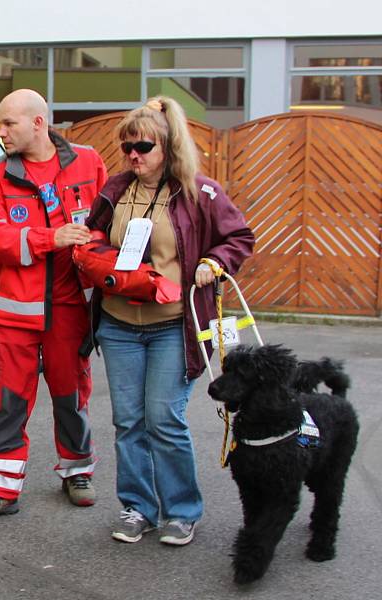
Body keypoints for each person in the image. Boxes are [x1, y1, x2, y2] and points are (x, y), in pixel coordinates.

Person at [86, 96, 254, 545]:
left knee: (164, 419)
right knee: (128, 422)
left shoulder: (201, 192)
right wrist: (92, 251)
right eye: (126, 147)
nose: (133, 156)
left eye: (142, 146)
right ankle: (137, 507)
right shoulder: (116, 189)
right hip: (119, 324)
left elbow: (239, 236)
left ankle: (181, 511)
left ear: (167, 145)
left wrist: (215, 261)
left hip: (173, 327)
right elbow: (93, 234)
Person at [0, 89, 108, 523]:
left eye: (8, 123)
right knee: (8, 400)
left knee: (72, 395)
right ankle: (0, 487)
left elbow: (106, 225)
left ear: (38, 123)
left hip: (70, 309)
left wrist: (97, 256)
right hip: (14, 314)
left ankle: (77, 470)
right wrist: (52, 239)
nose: (1, 130)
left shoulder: (88, 162)